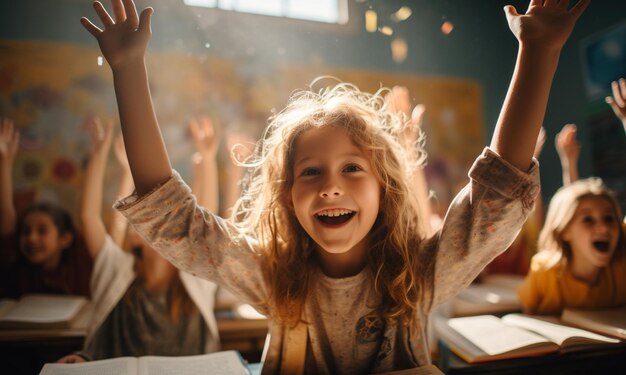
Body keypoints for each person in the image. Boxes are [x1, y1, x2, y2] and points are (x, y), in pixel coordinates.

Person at [80, 0, 587, 372]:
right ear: (286, 197)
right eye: (309, 172)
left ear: (386, 190)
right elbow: (174, 218)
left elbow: (495, 194)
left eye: (352, 168)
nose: (329, 186)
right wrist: (127, 69)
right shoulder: (272, 276)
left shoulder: (419, 277)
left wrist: (538, 52)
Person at [57, 116, 219, 363]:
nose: (164, 226)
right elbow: (89, 217)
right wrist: (98, 156)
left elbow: (206, 219)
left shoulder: (195, 275)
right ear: (135, 237)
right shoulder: (116, 269)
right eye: (152, 221)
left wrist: (207, 160)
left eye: (170, 218)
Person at [0, 117, 92, 298]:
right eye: (25, 232)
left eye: (42, 231)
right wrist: (5, 161)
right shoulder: (15, 265)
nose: (32, 239)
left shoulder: (80, 265)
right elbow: (6, 214)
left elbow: (88, 216)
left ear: (65, 239)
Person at [517, 178, 626, 315]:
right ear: (564, 231)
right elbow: (528, 315)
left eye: (609, 218)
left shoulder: (621, 263)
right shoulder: (543, 270)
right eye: (588, 220)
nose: (604, 228)